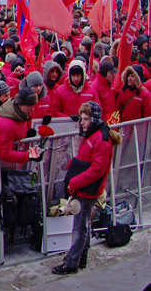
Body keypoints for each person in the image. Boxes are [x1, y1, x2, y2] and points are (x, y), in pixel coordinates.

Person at [52, 101, 121, 275]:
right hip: (86, 187)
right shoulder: (95, 134)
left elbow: (97, 169)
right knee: (84, 226)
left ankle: (72, 262)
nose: (81, 122)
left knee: (80, 228)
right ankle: (81, 258)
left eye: (85, 119)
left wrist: (75, 181)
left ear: (94, 119)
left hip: (86, 189)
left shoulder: (100, 139)